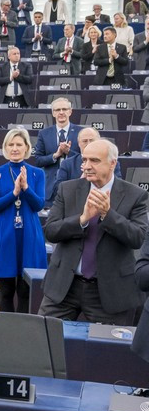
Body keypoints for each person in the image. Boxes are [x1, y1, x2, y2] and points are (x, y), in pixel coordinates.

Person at [40, 139, 147, 325]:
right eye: (84, 160)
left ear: (113, 163)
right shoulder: (67, 189)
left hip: (109, 292)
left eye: (94, 161)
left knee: (108, 352)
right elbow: (50, 231)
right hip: (64, 286)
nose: (87, 166)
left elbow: (137, 238)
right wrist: (81, 220)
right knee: (41, 342)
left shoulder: (135, 195)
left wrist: (107, 214)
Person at [31, 98, 82, 203]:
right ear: (53, 113)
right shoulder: (44, 133)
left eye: (64, 109)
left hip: (75, 184)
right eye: (58, 110)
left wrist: (69, 152)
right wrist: (56, 155)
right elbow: (38, 160)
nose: (61, 112)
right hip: (50, 188)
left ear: (70, 111)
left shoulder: (81, 132)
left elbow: (86, 158)